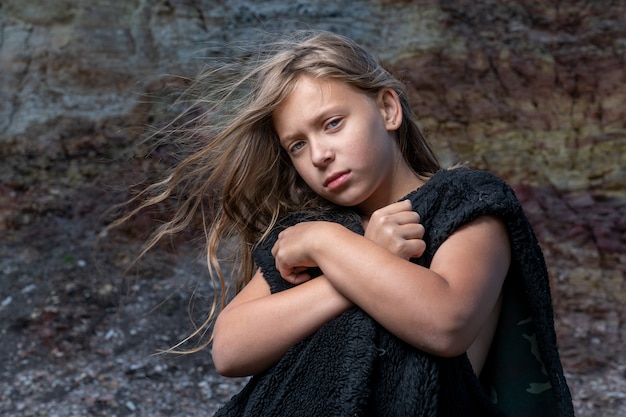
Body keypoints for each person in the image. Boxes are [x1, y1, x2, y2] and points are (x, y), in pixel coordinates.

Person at [122, 30, 573, 416]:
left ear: (388, 110)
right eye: (297, 145)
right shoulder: (306, 230)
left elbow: (446, 322)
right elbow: (231, 348)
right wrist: (345, 256)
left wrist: (327, 245)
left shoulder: (466, 200)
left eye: (333, 123)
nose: (319, 154)